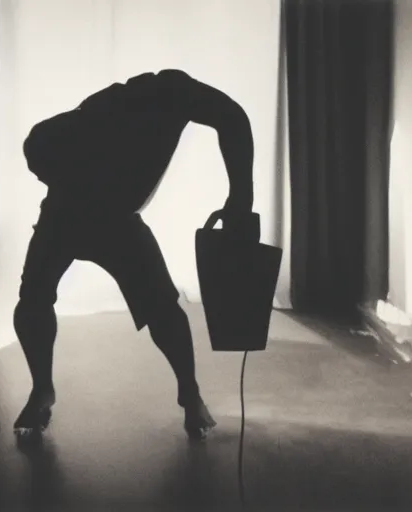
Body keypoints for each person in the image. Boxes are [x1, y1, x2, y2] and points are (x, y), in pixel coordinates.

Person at [14, 69, 254, 440]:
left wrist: (242, 195)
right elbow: (39, 147)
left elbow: (232, 117)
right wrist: (64, 185)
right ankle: (42, 389)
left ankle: (189, 394)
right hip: (65, 213)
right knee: (33, 299)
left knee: (162, 308)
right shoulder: (76, 127)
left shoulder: (167, 93)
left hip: (116, 220)